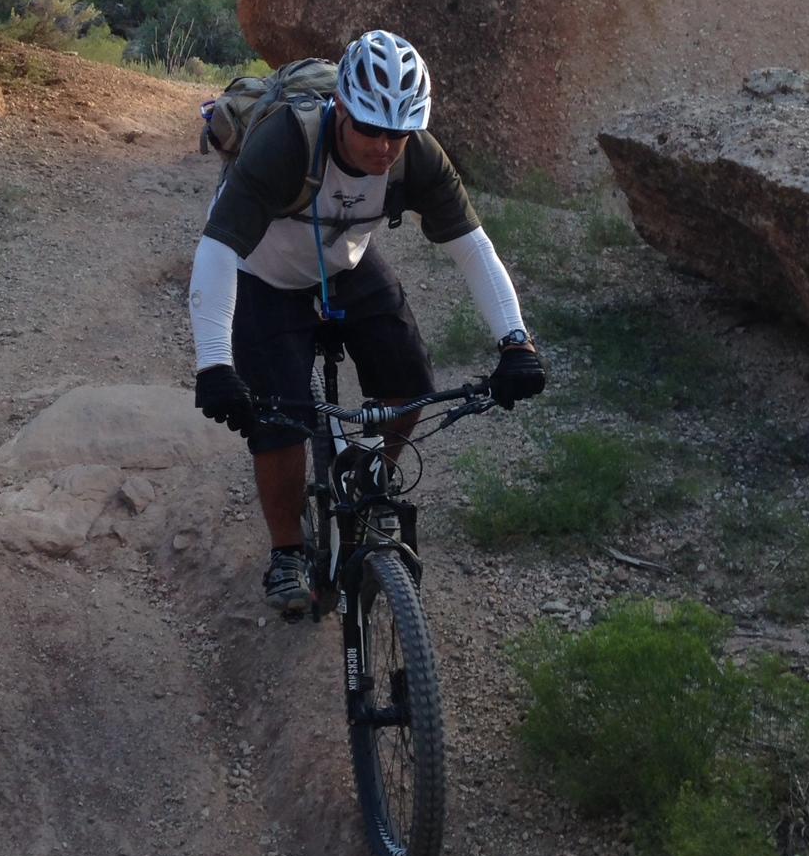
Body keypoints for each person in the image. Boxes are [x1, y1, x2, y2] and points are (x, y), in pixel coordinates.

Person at [188, 30, 547, 613]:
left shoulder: (417, 155)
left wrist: (516, 344)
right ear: (342, 109)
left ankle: (371, 477)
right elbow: (218, 248)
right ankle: (287, 551)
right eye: (371, 129)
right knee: (279, 418)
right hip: (263, 273)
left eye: (398, 134)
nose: (385, 147)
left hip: (344, 263)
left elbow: (473, 248)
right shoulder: (288, 141)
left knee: (410, 379)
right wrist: (214, 365)